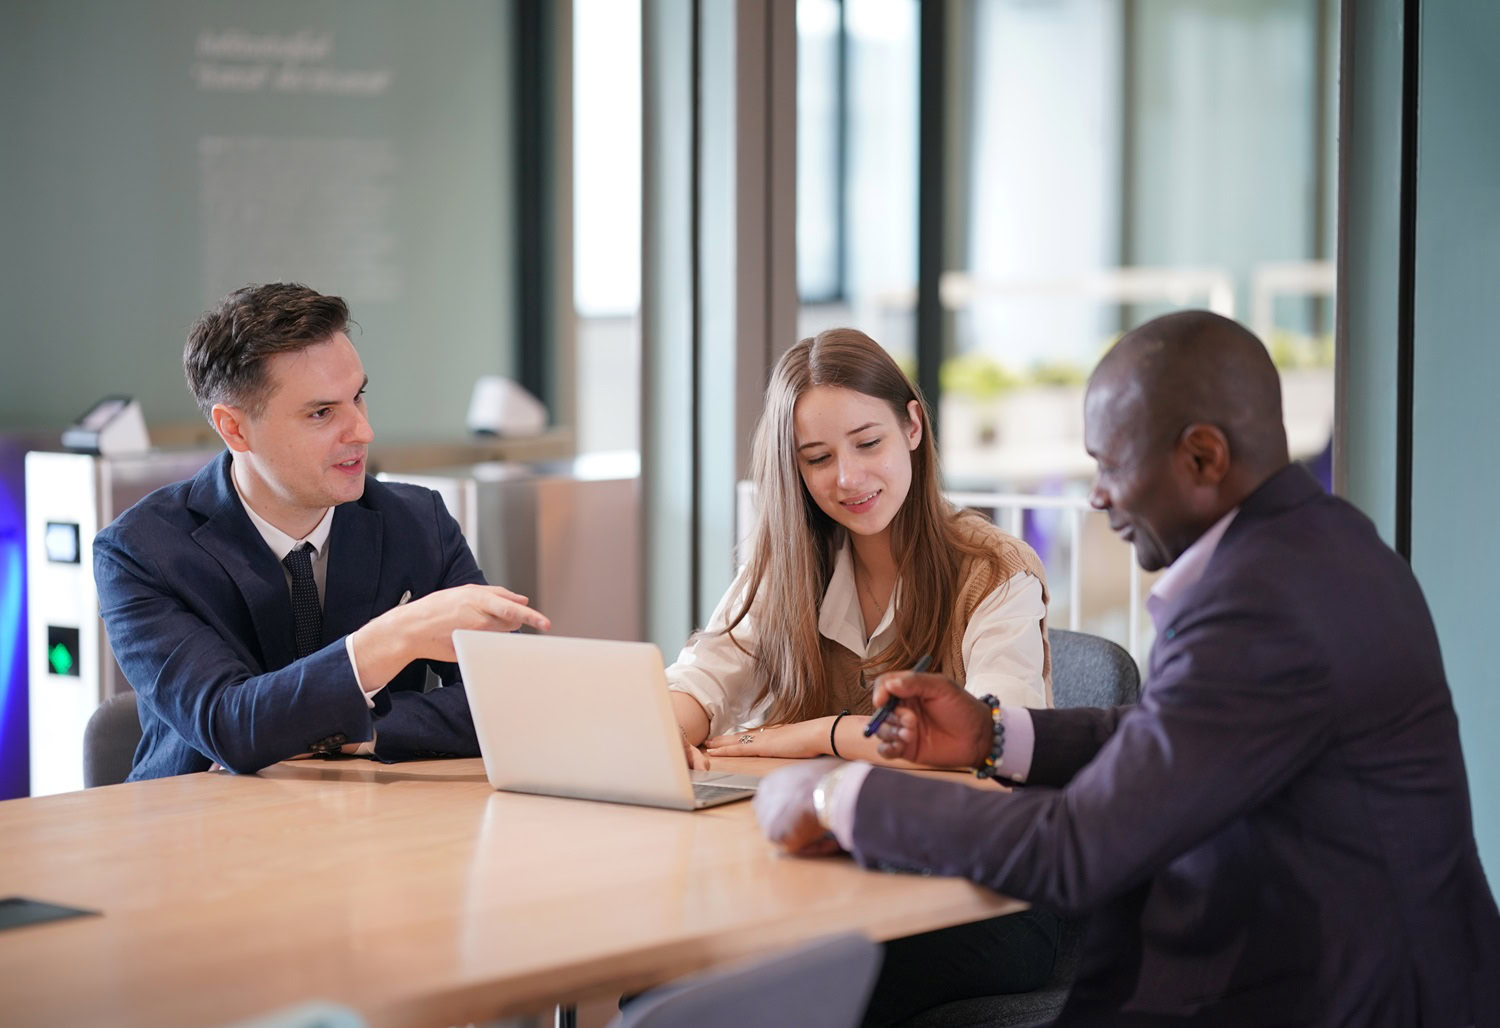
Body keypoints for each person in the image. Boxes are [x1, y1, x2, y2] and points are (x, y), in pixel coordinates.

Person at [754, 310, 1500, 1025]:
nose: (1097, 495)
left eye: (1109, 465)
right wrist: (989, 735)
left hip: (1336, 997)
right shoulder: (1318, 545)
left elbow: (1078, 846)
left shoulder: (1266, 603)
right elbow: (1169, 733)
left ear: (1203, 456)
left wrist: (840, 799)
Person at [667, 328, 1060, 1024]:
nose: (846, 478)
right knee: (669, 987)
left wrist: (819, 734)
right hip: (838, 881)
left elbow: (988, 747)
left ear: (913, 426)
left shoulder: (993, 571)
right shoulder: (790, 565)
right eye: (816, 458)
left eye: (867, 443)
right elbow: (705, 677)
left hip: (983, 896)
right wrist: (668, 726)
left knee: (769, 997)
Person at [94, 283, 550, 781]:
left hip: (372, 826)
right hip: (195, 828)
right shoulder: (142, 552)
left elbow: (507, 699)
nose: (362, 431)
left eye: (359, 397)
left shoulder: (418, 522)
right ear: (235, 429)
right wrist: (397, 636)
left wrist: (361, 733)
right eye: (321, 413)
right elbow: (230, 726)